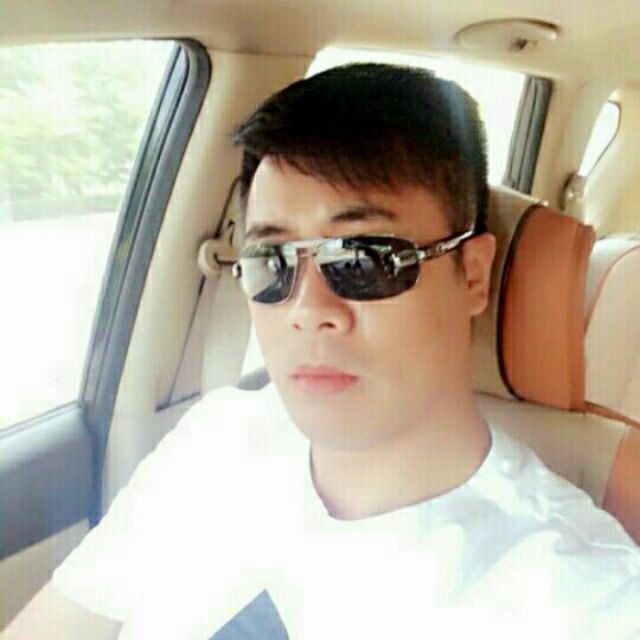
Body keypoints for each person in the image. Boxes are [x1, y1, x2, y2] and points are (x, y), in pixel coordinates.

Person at [5, 63, 640, 640]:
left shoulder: (579, 596)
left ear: (472, 274)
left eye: (362, 260)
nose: (308, 310)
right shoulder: (214, 440)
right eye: (273, 261)